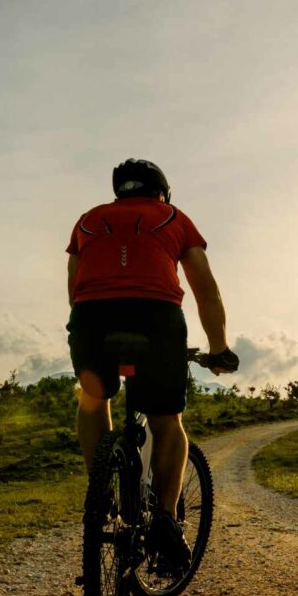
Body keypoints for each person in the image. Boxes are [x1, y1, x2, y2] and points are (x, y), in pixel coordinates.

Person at [66, 158, 239, 569]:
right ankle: (164, 517)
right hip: (155, 316)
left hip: (93, 318)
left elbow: (75, 287)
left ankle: (100, 489)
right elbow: (206, 289)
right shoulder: (173, 217)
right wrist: (218, 348)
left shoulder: (88, 221)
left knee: (94, 397)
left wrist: (90, 328)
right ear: (162, 191)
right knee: (165, 419)